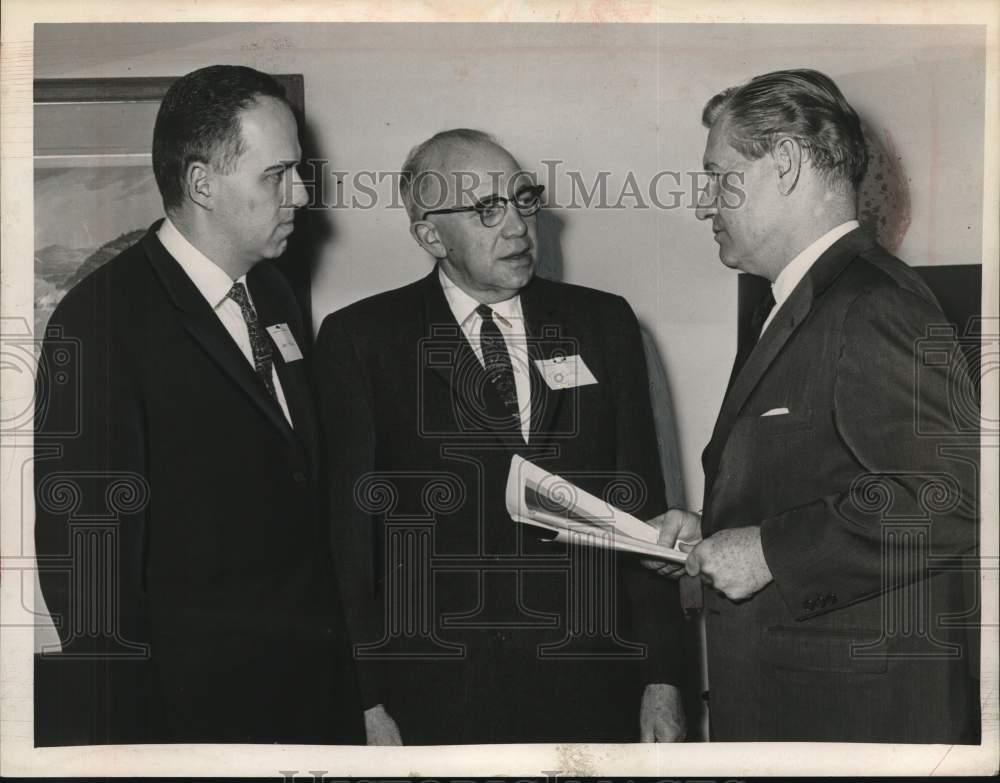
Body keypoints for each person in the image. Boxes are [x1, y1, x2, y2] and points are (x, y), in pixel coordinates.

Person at [315, 129, 686, 745]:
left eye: (522, 199)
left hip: (593, 681)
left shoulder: (603, 323)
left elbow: (642, 511)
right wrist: (368, 701)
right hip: (440, 694)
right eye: (487, 209)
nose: (517, 226)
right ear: (431, 236)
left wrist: (664, 678)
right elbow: (350, 546)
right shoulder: (363, 341)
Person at [34, 65, 363, 745]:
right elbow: (88, 567)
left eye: (298, 171)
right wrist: (130, 743)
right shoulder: (101, 321)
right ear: (201, 184)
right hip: (194, 720)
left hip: (311, 700)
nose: (301, 194)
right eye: (276, 175)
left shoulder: (272, 293)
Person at [650, 69, 979, 742]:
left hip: (855, 723)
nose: (705, 203)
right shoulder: (796, 304)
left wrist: (768, 550)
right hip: (802, 709)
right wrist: (713, 530)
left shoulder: (873, 303)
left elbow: (953, 498)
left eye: (719, 177)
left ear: (787, 163)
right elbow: (828, 481)